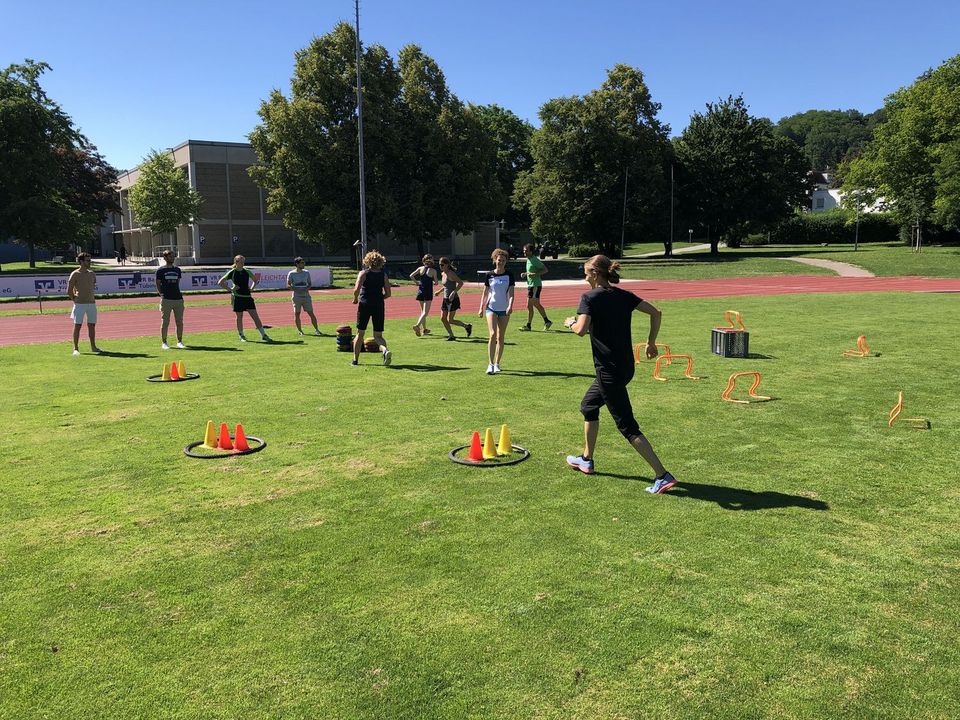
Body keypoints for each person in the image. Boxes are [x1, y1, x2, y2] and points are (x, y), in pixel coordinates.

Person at [564, 255, 677, 494]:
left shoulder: (588, 298)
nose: (584, 276)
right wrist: (651, 343)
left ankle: (662, 475)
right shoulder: (624, 296)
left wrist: (570, 322)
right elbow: (656, 313)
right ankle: (586, 458)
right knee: (588, 406)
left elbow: (581, 331)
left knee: (627, 426)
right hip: (625, 368)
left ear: (595, 273)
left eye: (586, 272)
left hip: (609, 372)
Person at [477, 247, 515, 374]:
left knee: (501, 336)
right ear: (495, 260)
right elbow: (485, 293)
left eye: (503, 260)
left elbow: (511, 293)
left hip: (504, 309)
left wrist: (510, 305)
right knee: (492, 334)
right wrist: (481, 308)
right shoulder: (489, 275)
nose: (501, 262)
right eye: (499, 260)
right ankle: (490, 364)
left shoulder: (509, 275)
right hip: (491, 308)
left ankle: (498, 363)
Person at [218, 255, 272, 343]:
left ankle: (263, 335)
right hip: (238, 298)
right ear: (236, 262)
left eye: (244, 261)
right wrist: (230, 289)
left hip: (248, 297)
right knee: (239, 317)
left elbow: (255, 280)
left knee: (255, 317)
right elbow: (220, 282)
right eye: (241, 261)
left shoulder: (247, 271)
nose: (243, 263)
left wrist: (252, 288)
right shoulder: (232, 272)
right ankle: (242, 335)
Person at [351, 250, 392, 366]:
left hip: (365, 304)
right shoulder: (383, 275)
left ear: (367, 261)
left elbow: (356, 290)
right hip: (379, 305)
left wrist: (355, 299)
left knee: (360, 333)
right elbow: (388, 293)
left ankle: (355, 360)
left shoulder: (363, 273)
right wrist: (379, 298)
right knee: (378, 335)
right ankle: (385, 350)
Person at [67, 253, 101, 355]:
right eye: (88, 261)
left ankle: (93, 347)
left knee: (92, 325)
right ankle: (76, 348)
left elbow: (92, 286)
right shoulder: (75, 274)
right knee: (77, 326)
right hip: (79, 304)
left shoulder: (92, 274)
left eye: (90, 260)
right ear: (81, 262)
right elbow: (69, 290)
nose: (90, 262)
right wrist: (75, 299)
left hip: (91, 303)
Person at [433, 257, 472, 341]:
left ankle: (467, 326)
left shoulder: (451, 274)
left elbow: (461, 283)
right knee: (443, 318)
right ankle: (451, 335)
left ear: (447, 265)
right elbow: (445, 286)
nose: (441, 266)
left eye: (442, 265)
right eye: (439, 265)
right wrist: (439, 291)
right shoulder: (443, 274)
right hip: (445, 299)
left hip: (453, 299)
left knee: (450, 320)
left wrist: (453, 292)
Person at [155, 250, 186, 349]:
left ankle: (179, 341)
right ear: (165, 258)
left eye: (173, 256)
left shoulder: (177, 270)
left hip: (178, 299)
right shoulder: (160, 271)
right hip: (166, 299)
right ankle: (164, 342)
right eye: (170, 256)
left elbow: (177, 283)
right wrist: (162, 295)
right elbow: (158, 284)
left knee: (179, 321)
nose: (172, 258)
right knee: (165, 321)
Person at [519, 243, 552, 331]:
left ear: (531, 251)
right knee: (535, 305)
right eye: (524, 251)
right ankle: (546, 321)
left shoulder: (534, 260)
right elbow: (531, 272)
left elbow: (545, 270)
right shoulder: (529, 259)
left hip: (535, 285)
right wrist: (525, 274)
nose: (524, 252)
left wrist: (536, 274)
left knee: (529, 305)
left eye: (526, 251)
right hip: (531, 285)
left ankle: (529, 326)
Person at [287, 257, 322, 336]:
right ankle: (300, 331)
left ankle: (317, 330)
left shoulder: (306, 272)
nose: (304, 264)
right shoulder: (291, 273)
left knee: (311, 313)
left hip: (306, 296)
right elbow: (288, 285)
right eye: (302, 263)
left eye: (304, 262)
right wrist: (296, 289)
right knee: (297, 313)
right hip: (296, 297)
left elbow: (309, 284)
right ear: (297, 264)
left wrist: (306, 288)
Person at [410, 254, 440, 336]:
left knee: (422, 312)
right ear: (431, 261)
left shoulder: (420, 268)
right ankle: (417, 326)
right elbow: (436, 282)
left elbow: (411, 275)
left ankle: (425, 329)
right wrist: (433, 282)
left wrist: (416, 282)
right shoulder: (433, 271)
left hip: (420, 292)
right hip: (428, 293)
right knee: (425, 313)